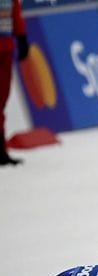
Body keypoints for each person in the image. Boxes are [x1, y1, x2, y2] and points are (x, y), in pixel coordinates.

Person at [1, 0, 28, 166]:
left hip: (6, 48)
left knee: (2, 99)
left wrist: (21, 36)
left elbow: (15, 11)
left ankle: (1, 150)